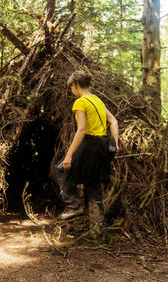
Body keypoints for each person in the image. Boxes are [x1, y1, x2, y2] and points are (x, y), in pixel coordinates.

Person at [54, 70, 119, 240]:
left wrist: (69, 155)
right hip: (103, 147)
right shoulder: (98, 100)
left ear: (75, 85)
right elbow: (113, 121)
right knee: (93, 186)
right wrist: (115, 142)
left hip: (89, 145)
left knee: (60, 168)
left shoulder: (80, 102)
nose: (71, 91)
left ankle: (73, 205)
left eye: (71, 88)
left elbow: (81, 130)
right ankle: (99, 234)